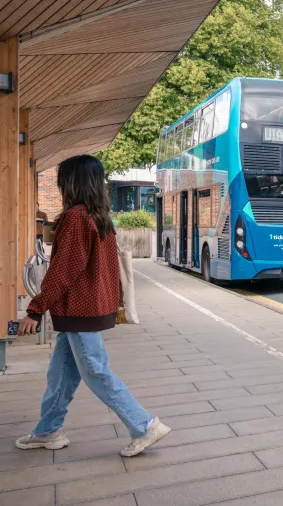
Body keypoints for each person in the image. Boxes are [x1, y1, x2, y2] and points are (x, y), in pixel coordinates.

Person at [14, 155, 171, 457]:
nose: (60, 186)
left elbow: (63, 270)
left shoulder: (75, 218)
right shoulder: (99, 218)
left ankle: (145, 425)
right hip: (88, 310)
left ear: (72, 182)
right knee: (61, 373)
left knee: (96, 372)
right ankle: (48, 430)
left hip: (78, 311)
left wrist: (35, 309)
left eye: (62, 179)